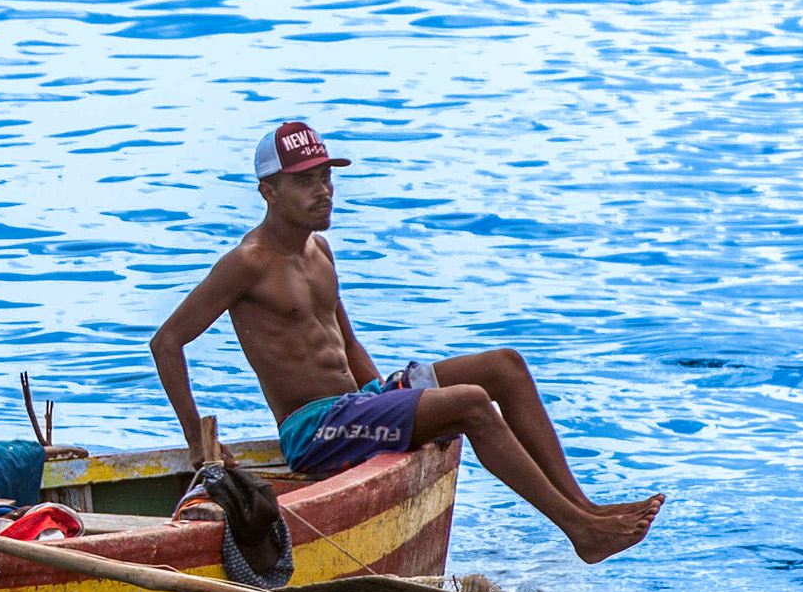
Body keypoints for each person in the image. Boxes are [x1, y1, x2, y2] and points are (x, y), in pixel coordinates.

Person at [149, 121, 663, 564]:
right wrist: (199, 440)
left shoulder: (319, 250)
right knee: (470, 405)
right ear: (269, 191)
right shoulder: (249, 262)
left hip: (358, 406)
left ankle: (586, 508)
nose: (324, 190)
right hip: (315, 429)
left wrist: (383, 397)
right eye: (305, 181)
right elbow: (167, 342)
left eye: (327, 177)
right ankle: (580, 532)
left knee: (505, 366)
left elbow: (345, 341)